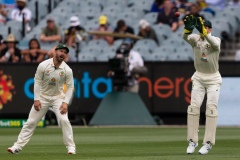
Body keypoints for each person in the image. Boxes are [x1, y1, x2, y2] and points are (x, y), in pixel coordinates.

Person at [7, 44, 76, 154]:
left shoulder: (67, 70)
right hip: (43, 97)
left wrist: (65, 103)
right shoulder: (43, 65)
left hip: (58, 98)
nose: (62, 54)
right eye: (61, 51)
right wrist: (36, 99)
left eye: (65, 52)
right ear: (55, 51)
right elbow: (37, 81)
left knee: (64, 120)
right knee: (31, 122)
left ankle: (71, 147)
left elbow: (70, 87)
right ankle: (17, 147)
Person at [182, 15, 222, 155]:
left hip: (213, 79)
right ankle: (192, 141)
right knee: (193, 108)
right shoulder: (195, 39)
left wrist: (205, 33)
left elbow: (215, 45)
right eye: (200, 26)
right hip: (199, 77)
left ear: (210, 29)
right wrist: (187, 29)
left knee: (211, 109)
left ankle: (208, 143)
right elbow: (185, 38)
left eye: (205, 27)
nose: (201, 29)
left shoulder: (215, 40)